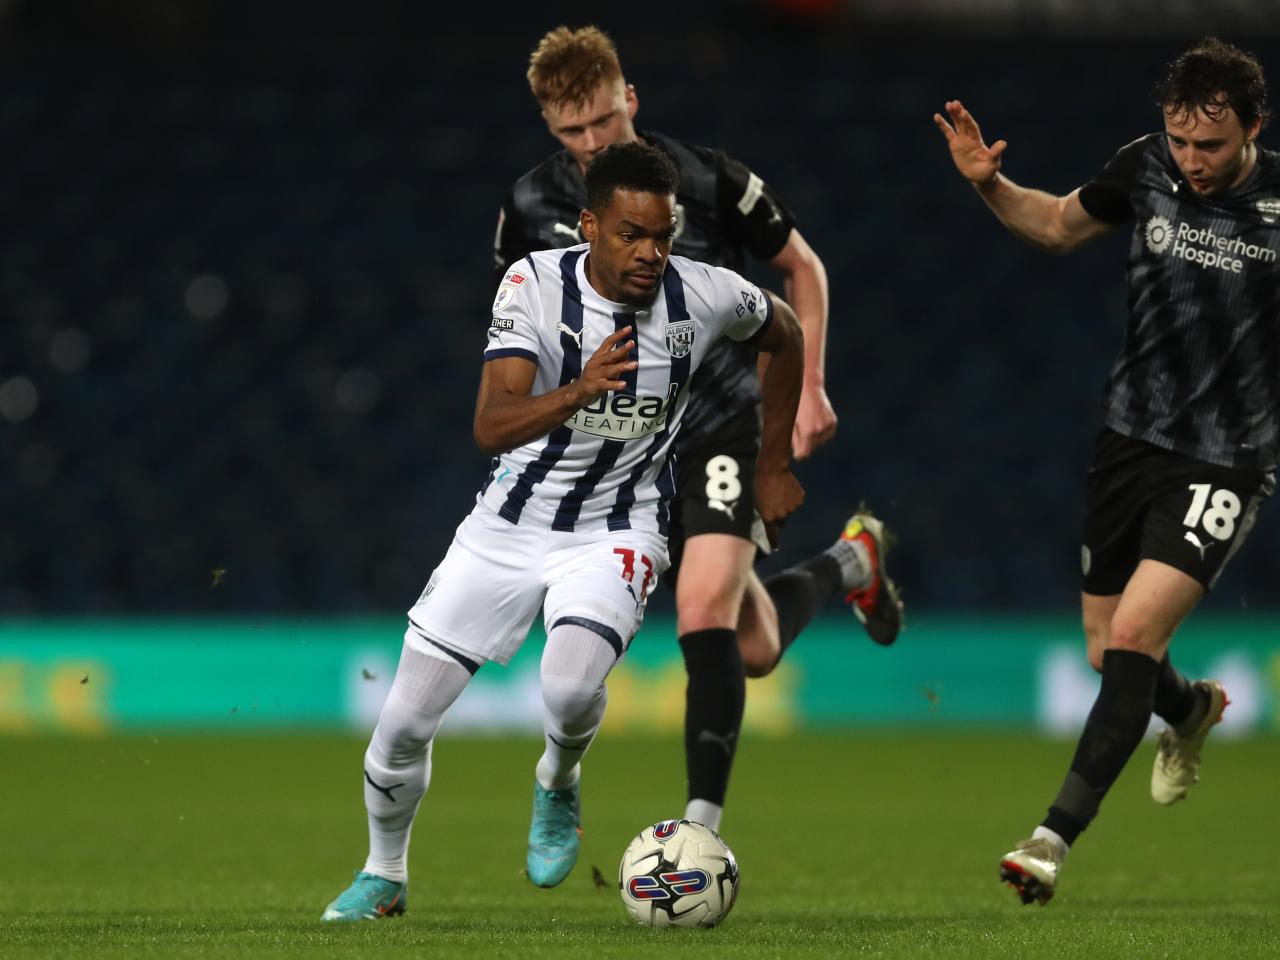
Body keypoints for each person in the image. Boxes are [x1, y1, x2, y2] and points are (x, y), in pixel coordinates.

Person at [321, 142, 805, 920]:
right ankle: (385, 875)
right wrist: (580, 389)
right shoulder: (532, 285)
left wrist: (773, 464)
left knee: (571, 685)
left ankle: (558, 778)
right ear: (588, 226)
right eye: (630, 235)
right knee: (402, 727)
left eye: (663, 234)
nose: (650, 253)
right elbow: (490, 424)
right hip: (506, 529)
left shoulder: (708, 295)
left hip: (618, 527)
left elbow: (785, 332)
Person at [495, 24, 903, 835]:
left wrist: (810, 382)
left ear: (630, 100)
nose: (589, 143)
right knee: (750, 648)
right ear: (549, 126)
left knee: (703, 610)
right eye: (571, 131)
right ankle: (851, 560)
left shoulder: (709, 181)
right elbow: (517, 324)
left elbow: (803, 270)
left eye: (602, 122)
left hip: (716, 422)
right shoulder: (531, 204)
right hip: (613, 451)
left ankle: (699, 831)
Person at [934, 36, 1278, 905]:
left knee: (1131, 637)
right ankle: (1192, 712)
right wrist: (987, 182)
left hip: (1226, 459)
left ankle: (1051, 838)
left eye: (1212, 145)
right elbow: (1054, 225)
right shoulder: (1144, 167)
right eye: (1181, 142)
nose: (1192, 162)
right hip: (1128, 439)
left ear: (1254, 130)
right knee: (1103, 648)